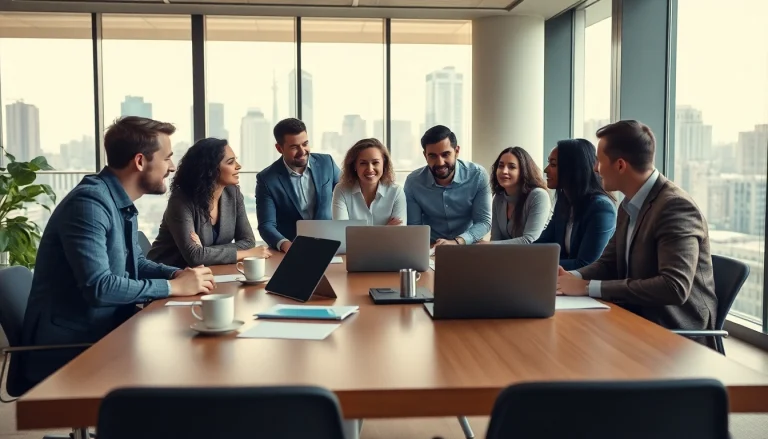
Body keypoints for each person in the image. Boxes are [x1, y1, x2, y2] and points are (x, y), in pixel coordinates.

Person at [20, 116, 215, 388]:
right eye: (167, 158)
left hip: (109, 332)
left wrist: (178, 274)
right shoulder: (89, 204)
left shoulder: (117, 201)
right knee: (184, 372)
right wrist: (173, 287)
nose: (171, 167)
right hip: (73, 349)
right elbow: (99, 287)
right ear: (140, 161)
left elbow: (135, 262)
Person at [556, 120, 718, 348]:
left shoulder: (675, 206)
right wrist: (569, 278)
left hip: (675, 334)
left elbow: (674, 287)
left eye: (599, 161)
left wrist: (587, 287)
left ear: (620, 165)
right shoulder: (629, 204)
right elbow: (608, 264)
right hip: (633, 317)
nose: (595, 169)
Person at [147, 138, 271, 267]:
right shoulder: (181, 200)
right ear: (210, 169)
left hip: (208, 271)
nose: (238, 166)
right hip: (166, 273)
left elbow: (248, 241)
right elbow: (195, 257)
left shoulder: (233, 193)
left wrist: (205, 252)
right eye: (230, 162)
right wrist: (246, 253)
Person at [256, 118, 340, 252]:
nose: (302, 151)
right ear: (279, 148)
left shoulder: (326, 163)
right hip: (292, 249)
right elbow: (266, 225)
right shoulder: (267, 179)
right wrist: (286, 245)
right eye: (294, 147)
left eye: (305, 144)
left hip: (331, 245)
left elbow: (348, 195)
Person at [535, 139, 617, 269]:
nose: (546, 170)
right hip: (562, 276)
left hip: (585, 280)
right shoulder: (564, 201)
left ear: (573, 168)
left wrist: (535, 263)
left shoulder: (601, 208)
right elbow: (544, 243)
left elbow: (586, 263)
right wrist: (518, 256)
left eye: (553, 165)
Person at [404, 125, 491, 246]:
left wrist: (457, 241)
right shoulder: (413, 182)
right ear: (425, 155)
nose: (440, 163)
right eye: (433, 156)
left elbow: (483, 222)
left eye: (445, 154)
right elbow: (414, 228)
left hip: (467, 245)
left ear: (457, 151)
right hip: (431, 247)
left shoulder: (477, 175)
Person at [482, 146, 551, 244]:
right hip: (509, 254)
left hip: (537, 253)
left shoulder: (538, 196)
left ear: (524, 171)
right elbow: (496, 239)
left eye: (512, 167)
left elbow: (529, 240)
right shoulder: (498, 198)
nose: (504, 171)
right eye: (500, 166)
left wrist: (489, 245)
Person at [332, 138, 406, 225]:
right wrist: (386, 229)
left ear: (384, 164)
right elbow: (341, 230)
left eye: (375, 163)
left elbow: (399, 232)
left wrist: (354, 231)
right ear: (354, 166)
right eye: (363, 163)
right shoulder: (341, 190)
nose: (370, 169)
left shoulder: (396, 192)